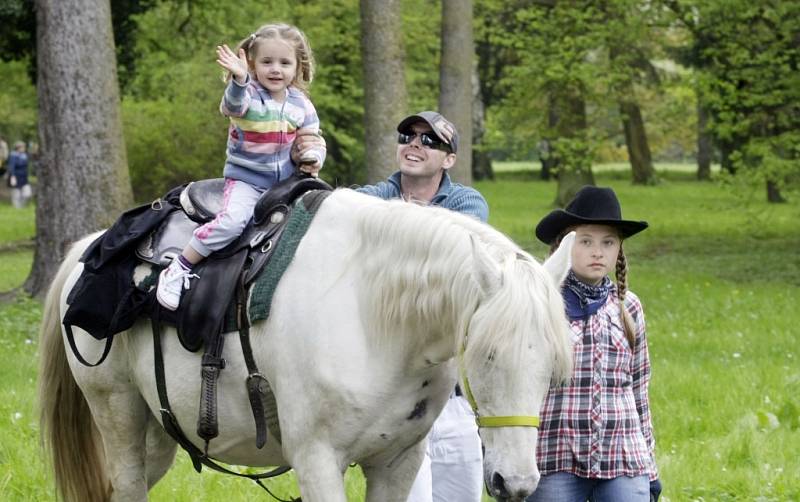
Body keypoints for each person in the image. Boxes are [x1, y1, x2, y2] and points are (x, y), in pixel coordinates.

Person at [358, 111, 487, 501]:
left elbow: (453, 259)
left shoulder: (466, 201)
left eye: (430, 140)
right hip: (394, 394)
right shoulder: (369, 198)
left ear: (449, 159)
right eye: (407, 136)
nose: (415, 144)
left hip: (452, 395)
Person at [156, 23, 325, 310]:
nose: (275, 69)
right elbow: (233, 107)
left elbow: (312, 137)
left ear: (297, 68)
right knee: (233, 222)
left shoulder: (302, 104)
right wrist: (239, 79)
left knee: (317, 219)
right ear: (252, 63)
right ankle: (180, 266)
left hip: (286, 184)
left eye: (284, 63)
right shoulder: (248, 95)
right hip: (247, 182)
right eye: (266, 62)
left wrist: (312, 157)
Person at [526, 185, 660, 502]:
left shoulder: (628, 307)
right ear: (563, 246)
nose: (597, 251)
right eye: (585, 241)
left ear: (619, 251)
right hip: (554, 454)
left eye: (608, 242)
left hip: (623, 455)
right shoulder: (542, 304)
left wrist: (650, 467)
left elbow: (639, 388)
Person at [7, 140, 32, 208]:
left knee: (27, 193)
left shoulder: (24, 155)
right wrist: (12, 176)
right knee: (16, 193)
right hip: (16, 176)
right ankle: (17, 208)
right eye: (23, 147)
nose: (24, 148)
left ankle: (22, 205)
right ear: (18, 148)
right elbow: (11, 166)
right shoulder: (13, 155)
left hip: (24, 177)